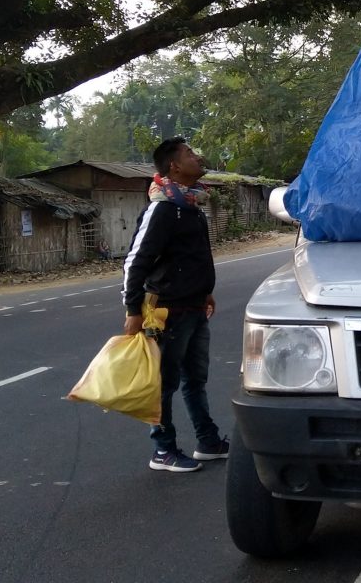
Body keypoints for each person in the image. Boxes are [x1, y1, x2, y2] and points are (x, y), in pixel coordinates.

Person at [121, 137, 228, 473]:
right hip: (167, 310)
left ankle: (207, 441)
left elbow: (190, 258)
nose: (198, 157)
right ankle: (163, 450)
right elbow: (135, 262)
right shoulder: (164, 209)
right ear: (173, 166)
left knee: (195, 379)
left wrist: (205, 290)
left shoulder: (191, 206)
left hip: (194, 307)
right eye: (189, 154)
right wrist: (132, 310)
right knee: (164, 384)